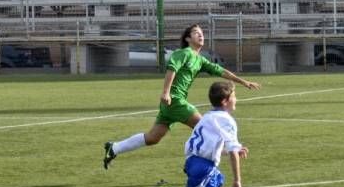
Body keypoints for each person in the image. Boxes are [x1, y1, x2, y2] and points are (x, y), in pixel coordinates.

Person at [102, 24, 261, 170]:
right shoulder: (183, 53)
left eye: (202, 33)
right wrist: (166, 92)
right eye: (196, 33)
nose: (201, 35)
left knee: (153, 138)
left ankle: (114, 147)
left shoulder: (199, 59)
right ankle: (222, 154)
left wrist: (243, 82)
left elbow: (221, 71)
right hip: (174, 100)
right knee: (205, 125)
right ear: (187, 39)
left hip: (171, 103)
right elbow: (172, 69)